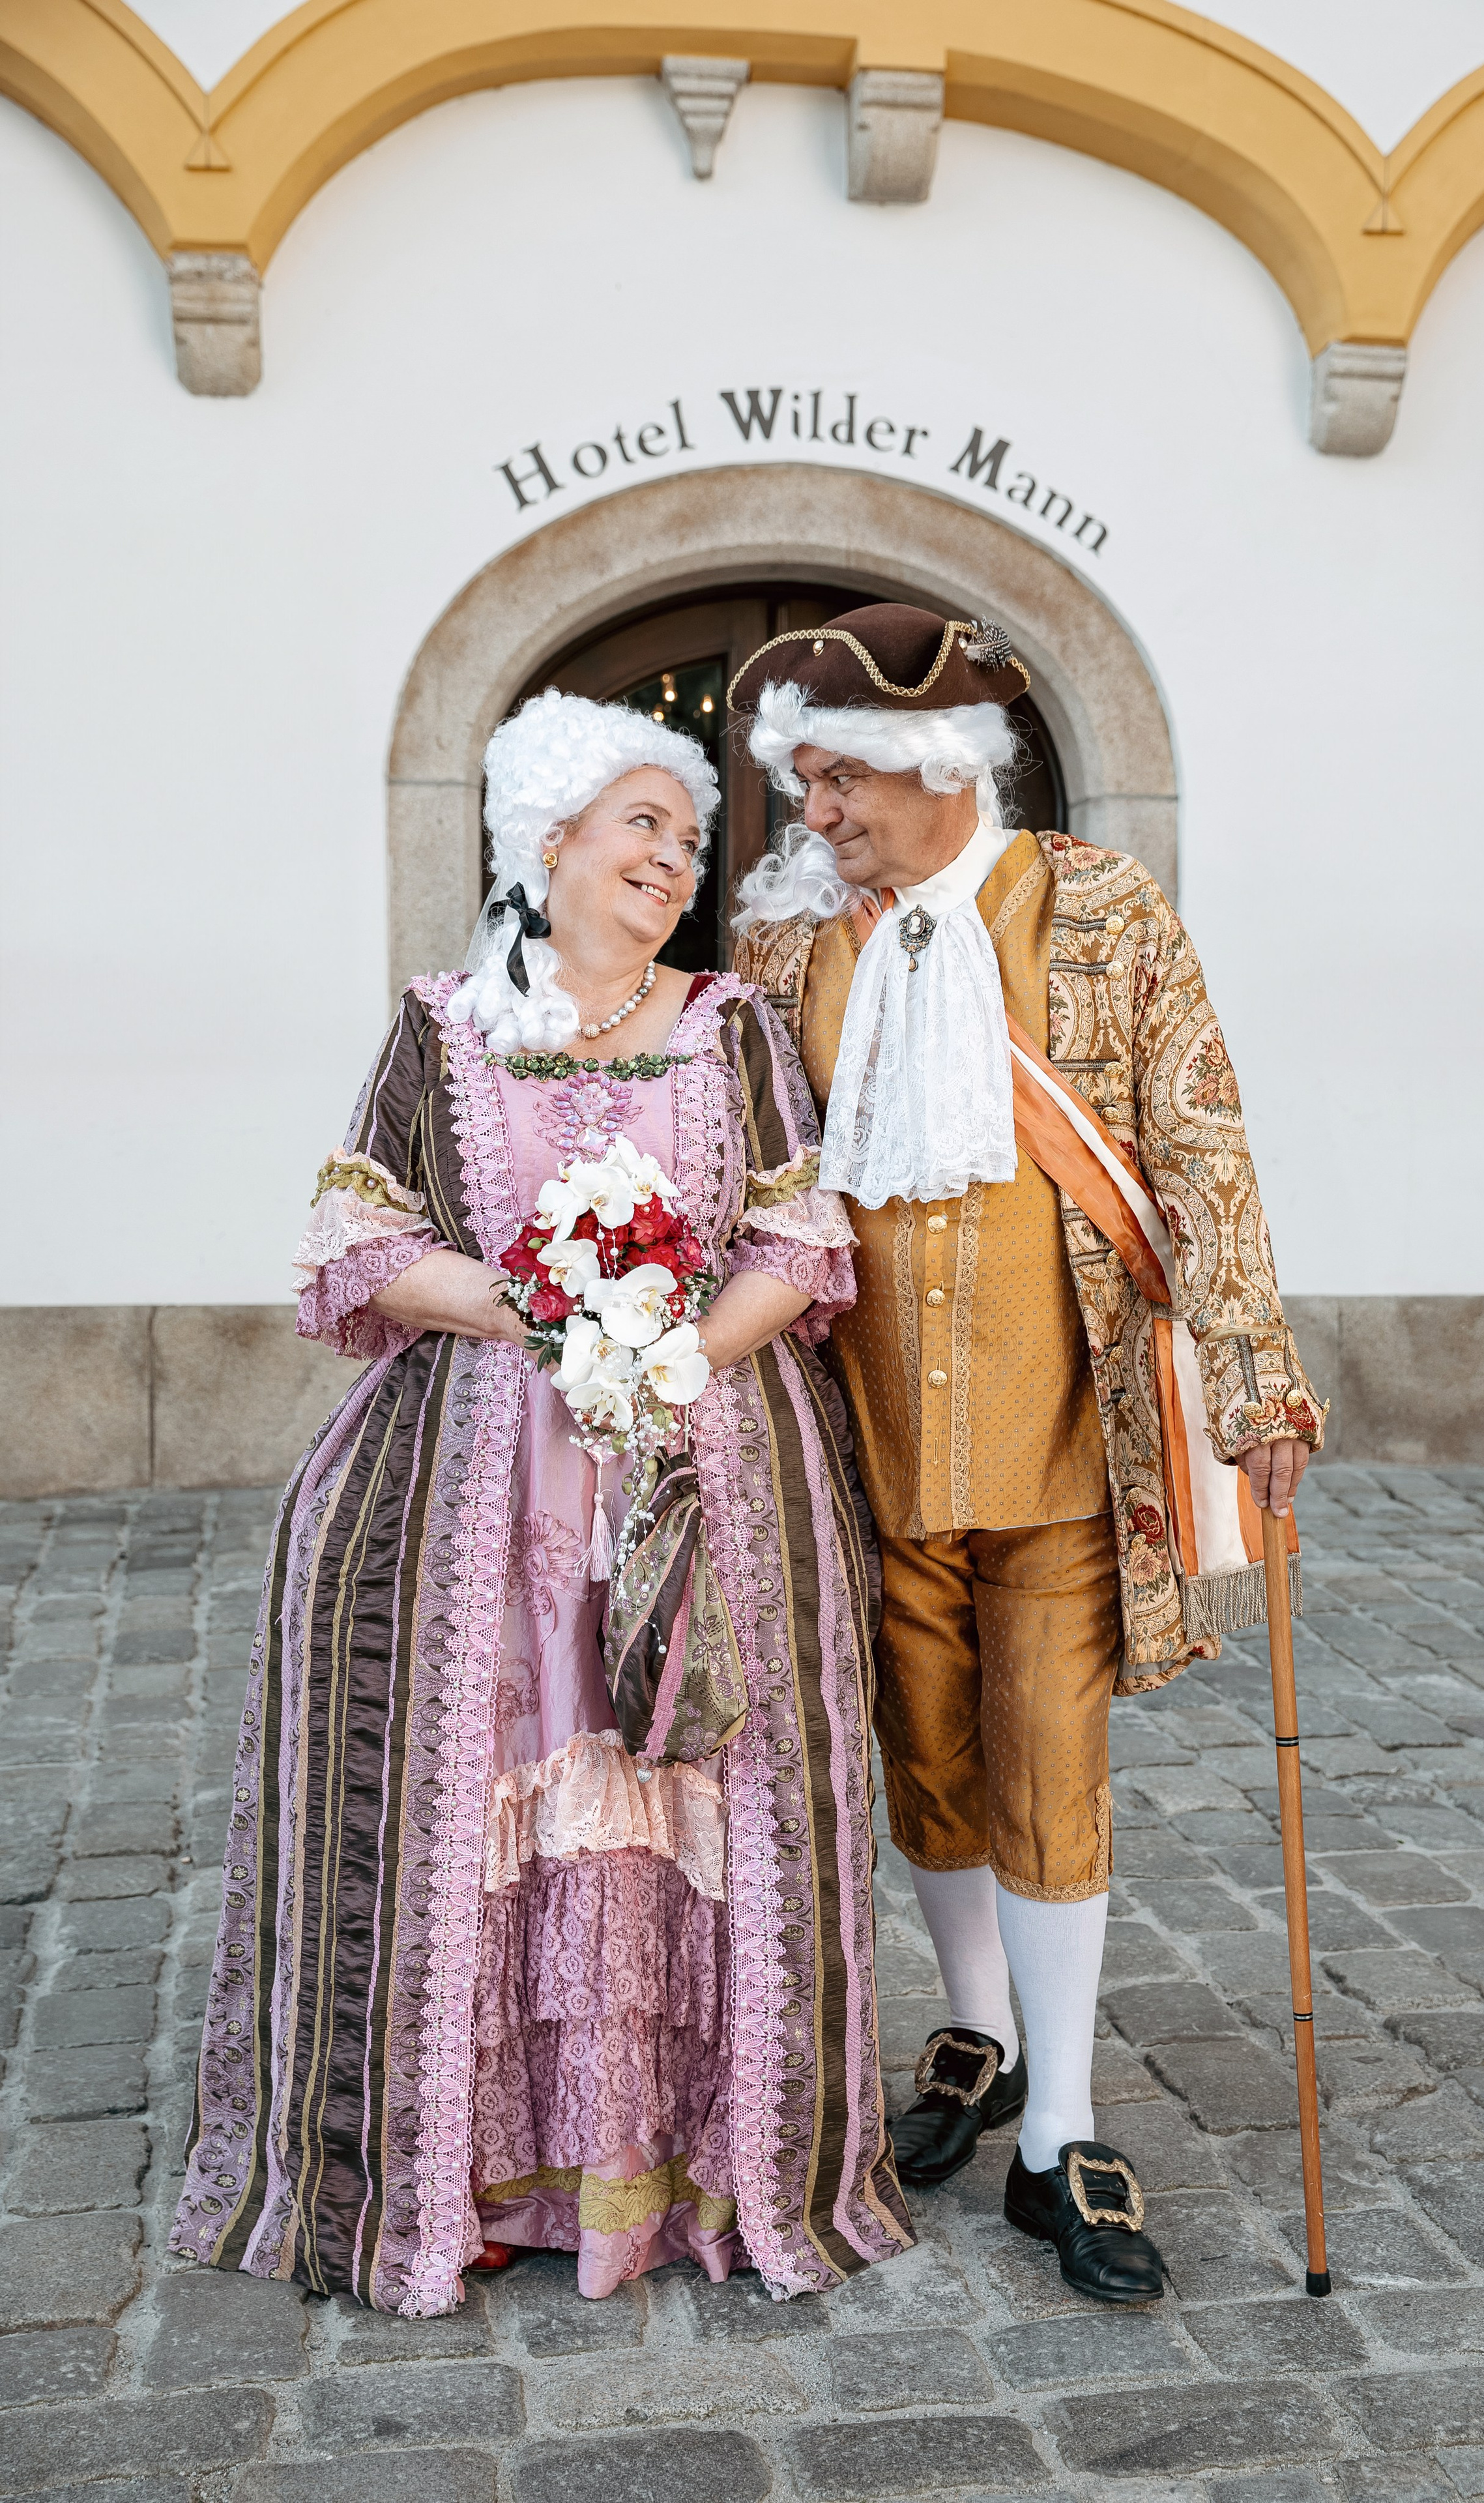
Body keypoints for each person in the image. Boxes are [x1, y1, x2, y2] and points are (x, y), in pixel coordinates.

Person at [171, 691, 912, 2315]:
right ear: (550, 836)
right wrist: (552, 1314)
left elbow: (800, 1247)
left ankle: (684, 2173)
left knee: (679, 1794)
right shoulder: (441, 1026)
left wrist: (664, 1357)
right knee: (489, 1787)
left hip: (699, 1460)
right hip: (480, 1484)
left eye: (687, 836)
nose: (672, 857)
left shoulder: (729, 1029)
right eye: (643, 822)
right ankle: (474, 2177)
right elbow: (360, 1241)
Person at [729, 604, 1324, 2305]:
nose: (818, 811)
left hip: (1064, 1430)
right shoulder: (786, 951)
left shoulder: (1105, 913)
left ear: (945, 766)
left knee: (1045, 1758)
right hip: (867, 1440)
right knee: (926, 1755)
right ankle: (974, 2036)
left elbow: (1203, 1148)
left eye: (842, 777)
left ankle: (1062, 2130)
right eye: (809, 779)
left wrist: (1259, 1385)